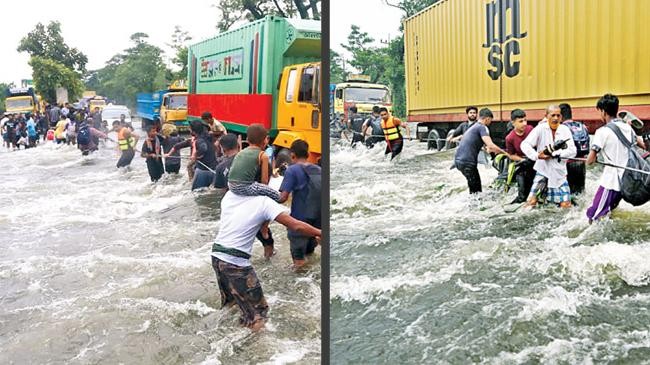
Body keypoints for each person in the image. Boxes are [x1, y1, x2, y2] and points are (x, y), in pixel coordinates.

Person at [211, 186, 321, 330]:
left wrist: (264, 227)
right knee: (259, 314)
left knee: (231, 305)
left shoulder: (229, 195)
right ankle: (254, 349)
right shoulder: (264, 203)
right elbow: (296, 226)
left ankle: (223, 333)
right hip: (236, 263)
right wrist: (320, 232)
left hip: (217, 256)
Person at [586, 94, 645, 222]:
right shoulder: (628, 128)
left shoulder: (602, 131)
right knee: (607, 214)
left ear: (603, 111)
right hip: (627, 182)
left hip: (611, 182)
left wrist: (591, 159)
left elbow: (589, 161)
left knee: (594, 216)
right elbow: (642, 145)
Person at [521, 105, 577, 208]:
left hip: (559, 172)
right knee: (531, 202)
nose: (555, 118)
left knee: (566, 204)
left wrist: (558, 154)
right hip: (543, 170)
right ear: (546, 116)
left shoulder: (565, 130)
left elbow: (573, 150)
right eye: (553, 115)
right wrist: (537, 156)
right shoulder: (540, 128)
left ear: (561, 117)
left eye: (558, 115)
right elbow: (524, 145)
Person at [278, 140, 321, 270]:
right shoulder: (318, 170)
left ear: (292, 155)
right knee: (310, 256)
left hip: (300, 223)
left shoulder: (292, 170)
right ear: (308, 154)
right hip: (317, 222)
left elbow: (283, 197)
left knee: (299, 263)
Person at [454, 108, 509, 194]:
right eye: (490, 120)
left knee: (474, 188)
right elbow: (491, 145)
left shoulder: (474, 126)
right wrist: (506, 153)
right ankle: (473, 206)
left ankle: (473, 204)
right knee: (476, 191)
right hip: (467, 163)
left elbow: (484, 146)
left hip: (459, 161)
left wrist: (488, 149)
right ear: (487, 119)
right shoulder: (482, 127)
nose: (490, 123)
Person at [227, 124, 281, 201]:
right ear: (266, 140)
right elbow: (264, 181)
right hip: (244, 187)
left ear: (247, 140)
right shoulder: (263, 155)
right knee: (277, 196)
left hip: (230, 185)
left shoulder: (241, 152)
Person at [504, 109, 535, 203]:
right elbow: (511, 155)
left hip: (536, 162)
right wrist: (521, 159)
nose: (524, 123)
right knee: (522, 196)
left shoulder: (531, 130)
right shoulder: (509, 138)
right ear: (513, 123)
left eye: (525, 120)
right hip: (523, 165)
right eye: (521, 121)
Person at [560, 103, 590, 195]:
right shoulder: (582, 126)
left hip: (568, 164)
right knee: (580, 193)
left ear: (560, 116)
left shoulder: (562, 128)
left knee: (568, 194)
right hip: (581, 163)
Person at [189, 120, 218, 190]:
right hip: (213, 169)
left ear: (193, 131)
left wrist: (195, 155)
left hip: (203, 171)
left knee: (196, 192)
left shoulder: (199, 140)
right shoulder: (209, 136)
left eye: (189, 128)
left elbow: (203, 148)